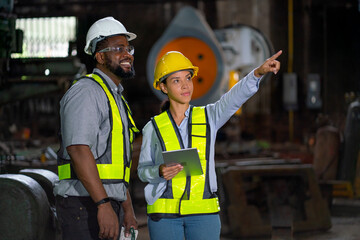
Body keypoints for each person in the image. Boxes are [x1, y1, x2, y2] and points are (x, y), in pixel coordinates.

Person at [137, 50, 282, 240]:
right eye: (176, 81)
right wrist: (159, 171)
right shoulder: (152, 128)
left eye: (188, 78)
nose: (185, 85)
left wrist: (257, 73)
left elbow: (233, 98)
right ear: (163, 87)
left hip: (203, 214)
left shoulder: (208, 117)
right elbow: (142, 171)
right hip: (164, 216)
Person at [54, 16, 139, 240]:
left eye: (128, 47)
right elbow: (78, 149)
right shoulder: (87, 92)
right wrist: (102, 205)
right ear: (100, 57)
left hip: (106, 202)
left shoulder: (115, 96)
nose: (127, 53)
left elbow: (115, 163)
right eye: (118, 48)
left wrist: (127, 207)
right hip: (84, 205)